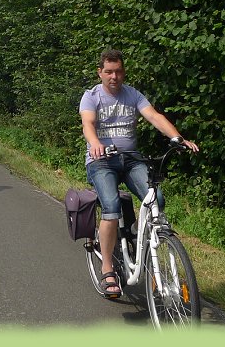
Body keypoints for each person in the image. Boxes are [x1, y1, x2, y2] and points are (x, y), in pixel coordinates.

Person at [80, 48, 199, 298]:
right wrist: (95, 144)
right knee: (111, 207)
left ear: (123, 72)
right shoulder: (91, 96)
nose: (114, 76)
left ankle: (137, 238)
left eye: (119, 71)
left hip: (131, 159)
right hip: (101, 161)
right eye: (109, 72)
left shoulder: (132, 94)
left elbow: (154, 116)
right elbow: (88, 124)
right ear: (100, 72)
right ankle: (108, 268)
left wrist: (177, 138)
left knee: (157, 199)